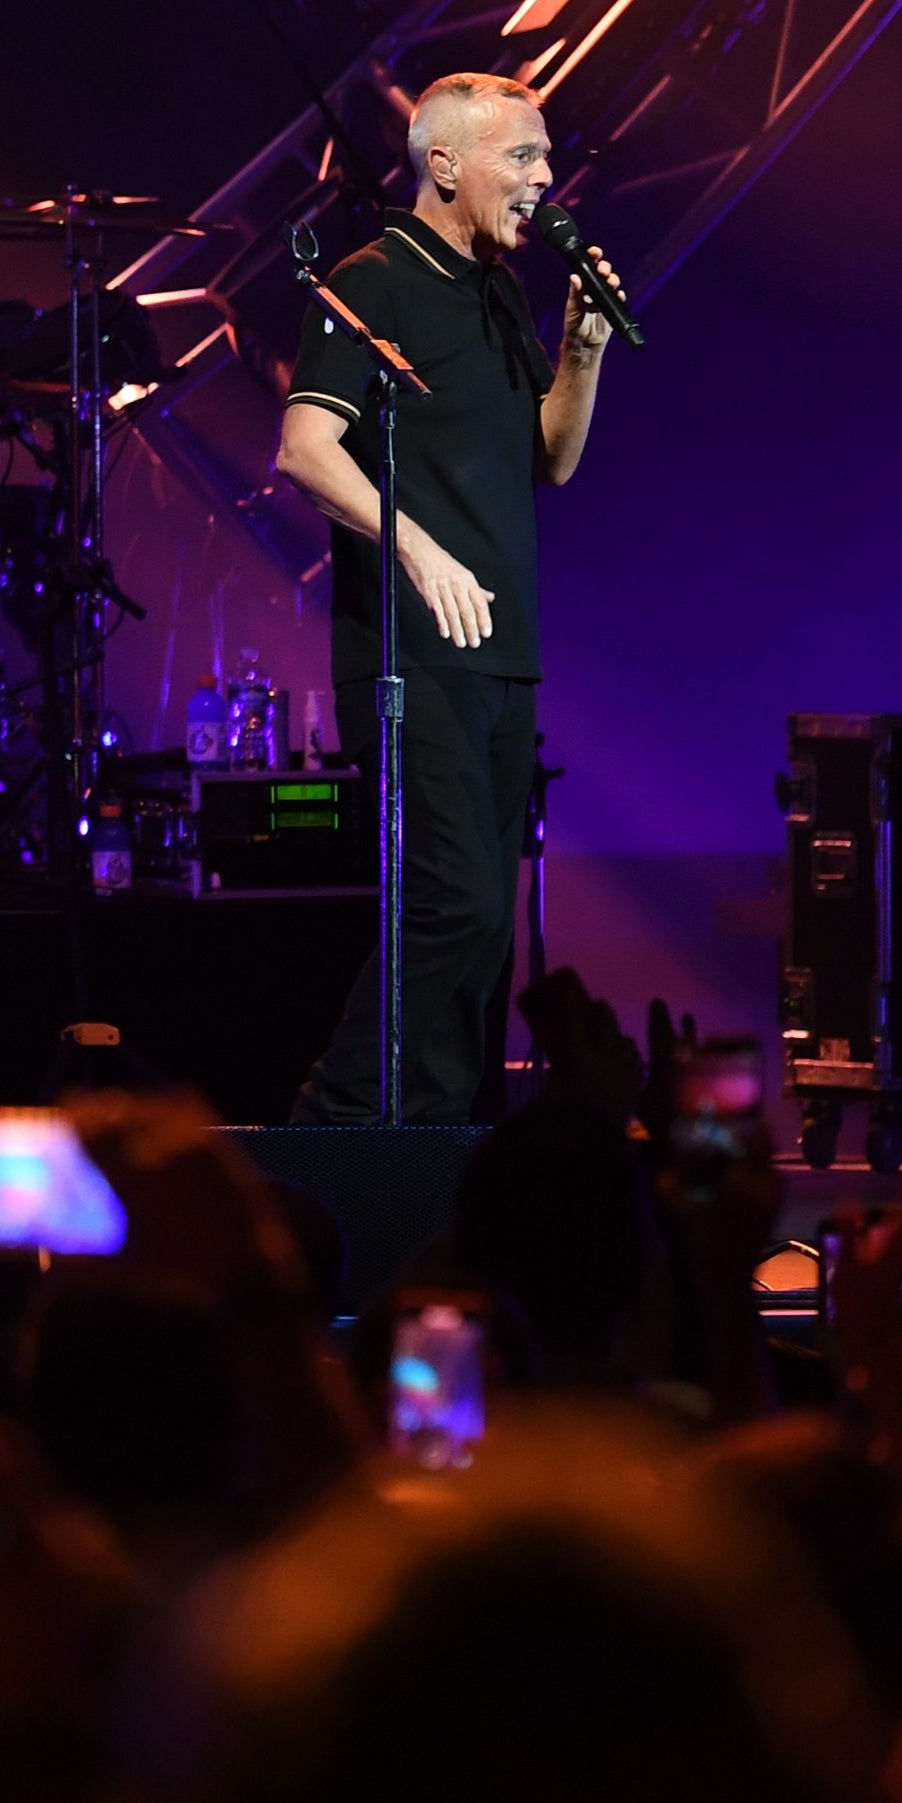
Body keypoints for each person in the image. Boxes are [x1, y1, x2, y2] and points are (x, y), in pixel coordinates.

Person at [275, 71, 622, 1123]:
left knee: (486, 932)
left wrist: (581, 350)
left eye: (546, 159)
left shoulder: (497, 292)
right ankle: (329, 1135)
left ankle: (437, 1159)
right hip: (409, 654)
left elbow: (549, 460)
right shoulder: (371, 280)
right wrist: (417, 551)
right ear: (443, 165)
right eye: (521, 158)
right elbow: (303, 449)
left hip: (502, 651)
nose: (545, 180)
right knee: (454, 900)